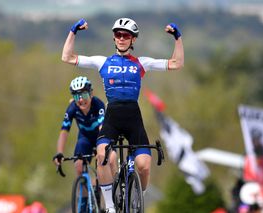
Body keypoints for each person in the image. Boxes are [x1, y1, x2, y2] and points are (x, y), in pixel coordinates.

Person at [61, 17, 184, 212]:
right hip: (113, 117)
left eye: (125, 35)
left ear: (133, 40)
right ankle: (110, 206)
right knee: (102, 156)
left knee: (144, 165)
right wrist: (73, 32)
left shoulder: (141, 63)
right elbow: (67, 57)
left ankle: (137, 197)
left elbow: (177, 63)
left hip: (133, 117)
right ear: (113, 38)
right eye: (118, 34)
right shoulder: (103, 62)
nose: (121, 38)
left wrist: (177, 38)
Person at [52, 76, 117, 212]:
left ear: (91, 94)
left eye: (84, 94)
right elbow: (64, 131)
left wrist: (101, 149)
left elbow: (101, 129)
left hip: (101, 137)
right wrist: (59, 152)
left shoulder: (98, 105)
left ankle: (111, 198)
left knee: (106, 162)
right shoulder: (72, 109)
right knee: (79, 166)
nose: (81, 99)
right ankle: (84, 201)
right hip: (85, 139)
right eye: (76, 96)